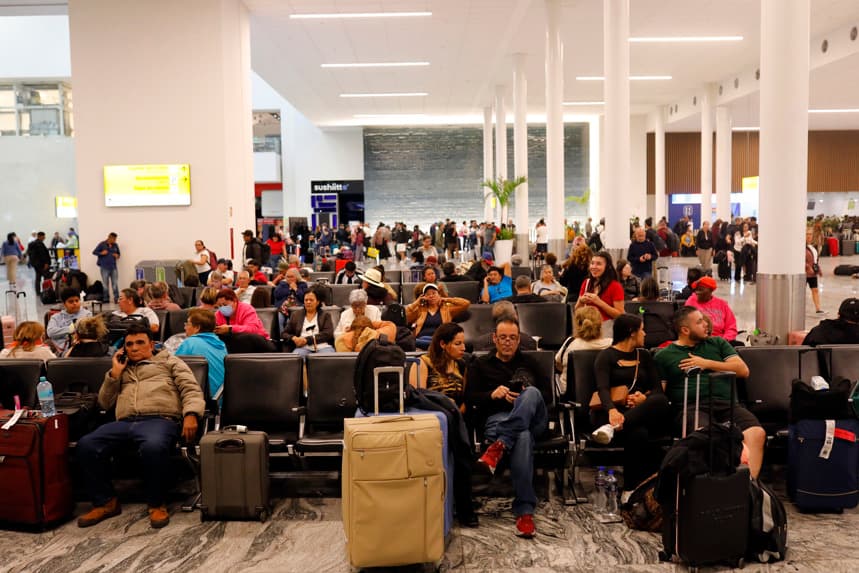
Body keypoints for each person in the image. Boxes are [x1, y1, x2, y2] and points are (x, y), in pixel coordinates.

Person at [76, 323, 205, 529]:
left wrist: (191, 414)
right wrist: (115, 375)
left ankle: (156, 503)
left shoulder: (170, 361)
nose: (134, 348)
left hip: (160, 420)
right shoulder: (121, 368)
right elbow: (104, 403)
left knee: (153, 446)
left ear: (151, 344)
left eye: (139, 343)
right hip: (125, 422)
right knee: (87, 444)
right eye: (129, 344)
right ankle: (106, 502)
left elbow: (190, 389)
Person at [654, 307, 765, 478]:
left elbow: (743, 370)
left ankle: (749, 486)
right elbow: (659, 392)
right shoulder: (665, 356)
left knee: (756, 433)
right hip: (691, 407)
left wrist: (706, 363)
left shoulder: (717, 343)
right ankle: (711, 488)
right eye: (699, 322)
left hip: (726, 405)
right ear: (685, 330)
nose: (706, 324)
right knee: (705, 436)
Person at [465, 318, 548, 538]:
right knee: (522, 436)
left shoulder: (531, 362)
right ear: (494, 339)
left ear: (519, 339)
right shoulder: (480, 365)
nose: (508, 342)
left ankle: (499, 447)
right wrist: (492, 395)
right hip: (498, 419)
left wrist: (522, 401)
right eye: (503, 337)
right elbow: (470, 398)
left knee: (531, 393)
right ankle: (525, 511)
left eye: (512, 338)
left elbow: (547, 396)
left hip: (534, 419)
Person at [591, 314, 671, 498]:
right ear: (631, 333)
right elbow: (602, 388)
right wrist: (612, 410)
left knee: (660, 401)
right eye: (641, 329)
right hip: (609, 410)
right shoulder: (605, 356)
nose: (644, 333)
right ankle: (630, 489)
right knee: (639, 433)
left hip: (637, 412)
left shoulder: (644, 355)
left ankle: (614, 427)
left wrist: (643, 398)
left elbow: (657, 389)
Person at [555, 306, 612, 395]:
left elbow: (558, 365)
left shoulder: (570, 343)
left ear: (577, 324)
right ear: (600, 324)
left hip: (570, 395)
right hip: (604, 396)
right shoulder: (611, 345)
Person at [176, 308, 228, 404]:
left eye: (187, 324)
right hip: (220, 401)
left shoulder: (189, 343)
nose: (185, 327)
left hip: (199, 401)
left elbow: (172, 368)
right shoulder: (221, 344)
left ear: (197, 328)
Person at [406, 283, 469, 349]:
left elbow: (466, 303)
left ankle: (437, 344)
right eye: (428, 294)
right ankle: (438, 345)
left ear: (439, 295)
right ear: (424, 297)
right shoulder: (420, 310)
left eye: (434, 293)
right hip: (422, 339)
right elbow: (405, 316)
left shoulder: (447, 309)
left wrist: (446, 299)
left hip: (441, 339)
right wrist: (417, 302)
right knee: (421, 340)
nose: (431, 296)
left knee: (434, 341)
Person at [575, 251, 624, 333]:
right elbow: (577, 311)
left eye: (598, 264)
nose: (594, 267)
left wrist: (599, 302)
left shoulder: (615, 286)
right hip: (587, 329)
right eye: (592, 263)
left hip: (606, 330)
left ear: (607, 267)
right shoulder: (586, 283)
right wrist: (580, 301)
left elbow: (619, 315)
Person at [684, 276, 738, 343]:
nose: (697, 292)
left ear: (711, 290)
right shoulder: (691, 302)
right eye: (696, 289)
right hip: (699, 341)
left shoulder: (722, 304)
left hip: (721, 342)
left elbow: (731, 327)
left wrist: (724, 341)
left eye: (701, 289)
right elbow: (687, 326)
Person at [282, 287, 335, 355]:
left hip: (322, 346)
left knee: (328, 358)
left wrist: (307, 340)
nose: (308, 302)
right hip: (302, 347)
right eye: (306, 300)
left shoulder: (325, 315)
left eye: (311, 300)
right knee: (296, 358)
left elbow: (327, 334)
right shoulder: (296, 315)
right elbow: (284, 333)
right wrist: (294, 338)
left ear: (318, 302)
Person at [47, 287, 93, 353]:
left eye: (77, 300)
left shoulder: (87, 314)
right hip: (61, 349)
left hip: (82, 347)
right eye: (71, 301)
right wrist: (70, 329)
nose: (75, 303)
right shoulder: (56, 317)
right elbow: (50, 332)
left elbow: (90, 331)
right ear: (64, 304)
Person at [92, 232, 121, 303]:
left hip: (113, 267)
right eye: (113, 239)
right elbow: (94, 252)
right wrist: (101, 253)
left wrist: (117, 255)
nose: (115, 241)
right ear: (109, 237)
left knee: (115, 284)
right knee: (105, 284)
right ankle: (106, 299)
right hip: (104, 267)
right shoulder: (102, 244)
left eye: (115, 239)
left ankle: (116, 298)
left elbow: (119, 254)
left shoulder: (115, 245)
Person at [26, 231, 51, 298]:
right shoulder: (39, 244)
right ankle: (46, 290)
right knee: (46, 276)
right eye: (43, 236)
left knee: (38, 278)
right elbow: (42, 254)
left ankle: (38, 292)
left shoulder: (32, 244)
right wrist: (46, 263)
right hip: (41, 264)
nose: (44, 237)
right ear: (40, 236)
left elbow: (28, 253)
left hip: (36, 264)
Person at [805, 229, 824, 314]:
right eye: (807, 234)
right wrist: (808, 267)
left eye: (810, 234)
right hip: (804, 274)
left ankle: (818, 308)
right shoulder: (800, 247)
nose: (809, 236)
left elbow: (815, 260)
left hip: (812, 273)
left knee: (815, 289)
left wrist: (818, 269)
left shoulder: (812, 247)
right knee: (800, 292)